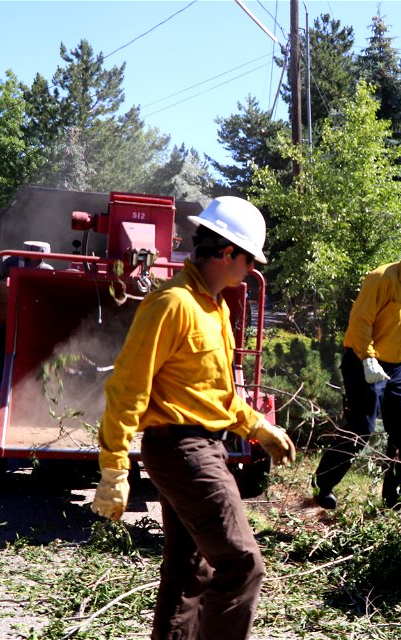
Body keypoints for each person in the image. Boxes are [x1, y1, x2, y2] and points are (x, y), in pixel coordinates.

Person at [92, 196, 297, 640]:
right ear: (227, 254)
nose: (250, 269)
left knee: (191, 569)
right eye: (249, 260)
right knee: (242, 563)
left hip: (204, 444)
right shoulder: (173, 304)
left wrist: (258, 427)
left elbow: (217, 395)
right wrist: (113, 464)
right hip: (180, 450)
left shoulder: (217, 308)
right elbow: (127, 386)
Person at [312, 230, 401, 510]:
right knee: (360, 429)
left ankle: (395, 497)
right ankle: (323, 485)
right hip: (362, 361)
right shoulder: (382, 278)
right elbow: (360, 322)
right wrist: (367, 358)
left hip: (398, 368)